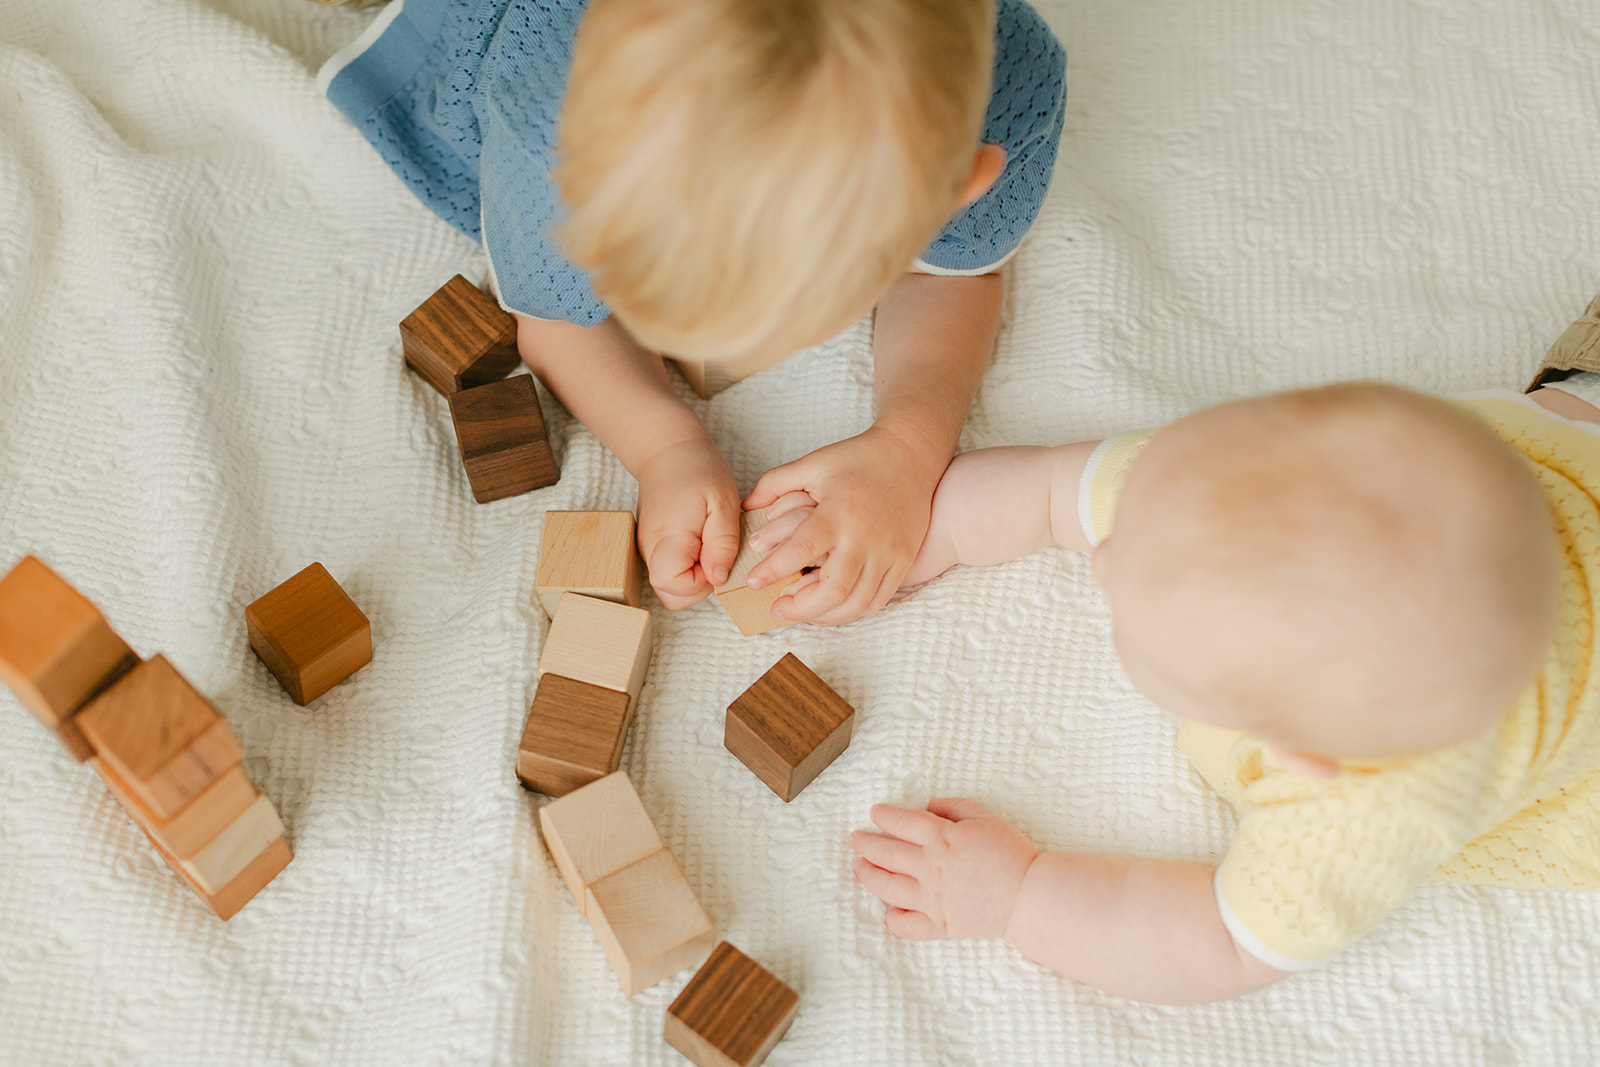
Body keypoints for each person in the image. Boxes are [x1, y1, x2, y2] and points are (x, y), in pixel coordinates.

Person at [843, 361, 1600, 1003]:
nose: (1103, 560)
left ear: (1294, 750)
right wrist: (928, 528)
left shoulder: (1362, 807)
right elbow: (1051, 488)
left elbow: (1223, 944)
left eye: (1131, 615)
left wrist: (1018, 893)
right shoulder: (1233, 495)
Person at [315, 0, 1067, 626]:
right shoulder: (550, 116)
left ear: (956, 184)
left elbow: (954, 273)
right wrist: (662, 444)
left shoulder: (1006, 99)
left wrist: (910, 445)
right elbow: (556, 320)